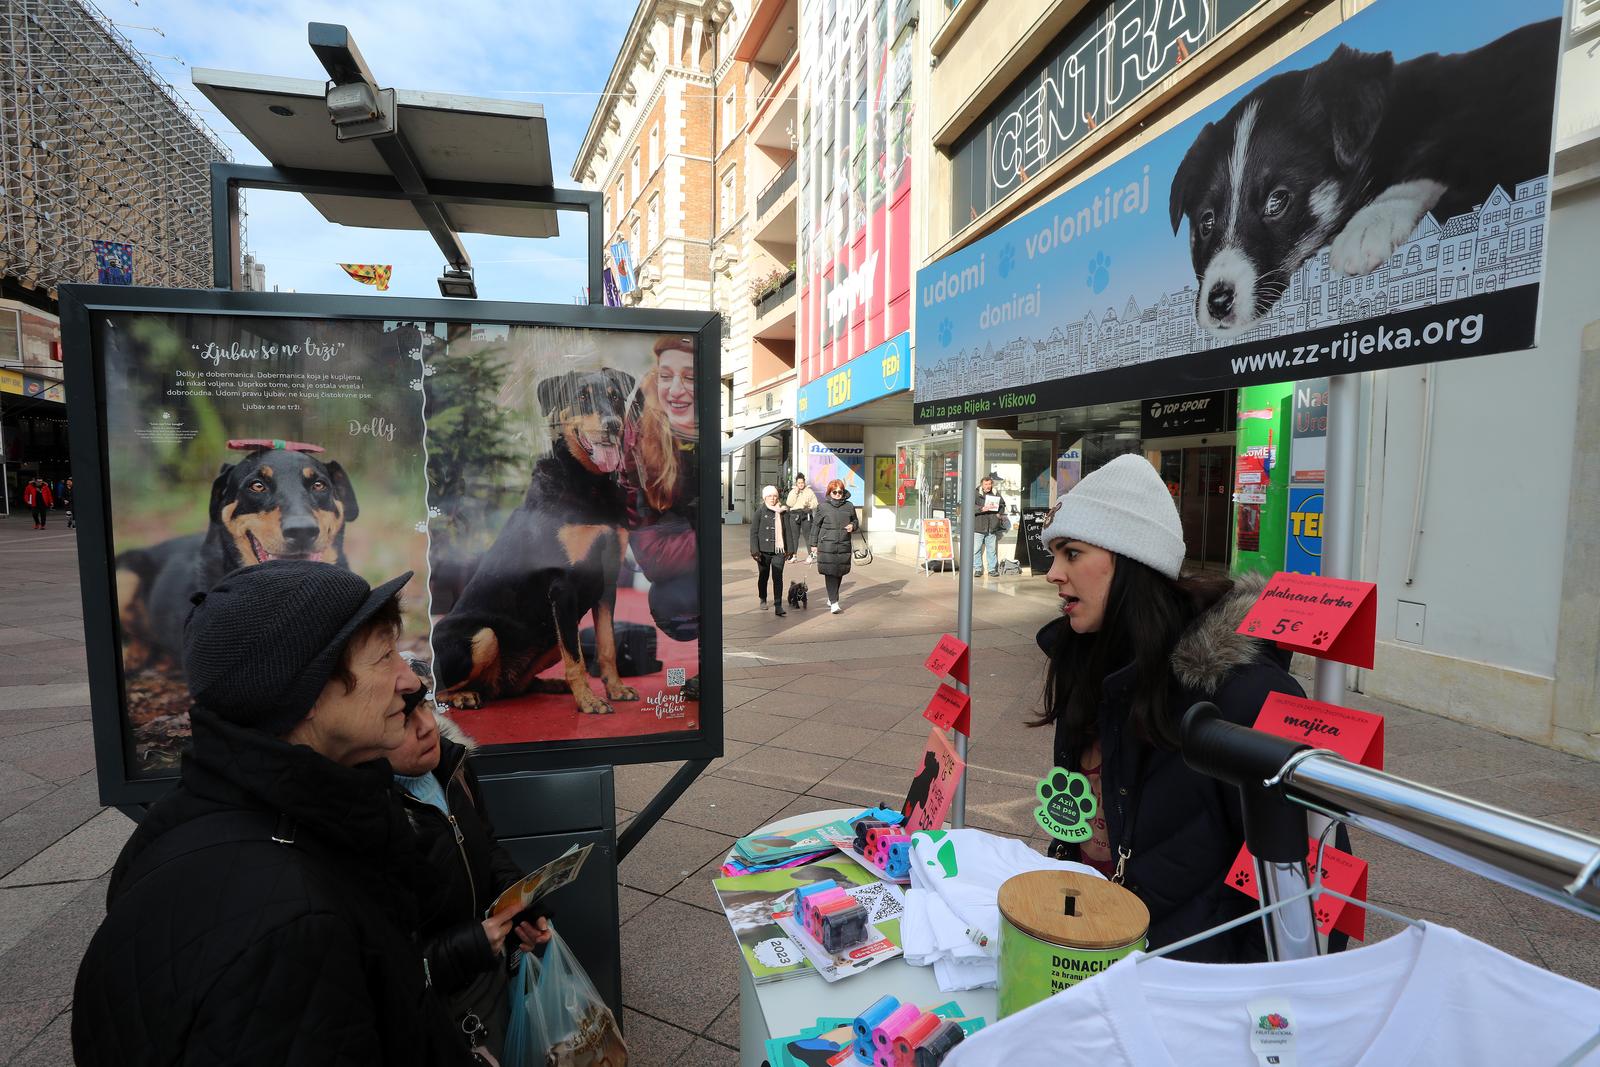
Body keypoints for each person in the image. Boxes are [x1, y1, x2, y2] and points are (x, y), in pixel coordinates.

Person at [73, 561, 475, 1066]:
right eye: (382, 655)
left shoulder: (184, 820)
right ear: (301, 695)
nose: (406, 678)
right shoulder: (292, 929)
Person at [1031, 454, 1303, 962]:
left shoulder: (1240, 694)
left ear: (1132, 560)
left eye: (1071, 553)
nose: (1053, 573)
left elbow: (1301, 892)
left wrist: (1247, 1007)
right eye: (1053, 554)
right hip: (1094, 957)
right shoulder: (1081, 663)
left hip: (1196, 992)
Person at [390, 697, 551, 1060]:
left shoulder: (451, 764)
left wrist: (520, 899)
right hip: (437, 1012)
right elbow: (387, 971)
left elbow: (486, 845)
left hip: (489, 978)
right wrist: (467, 947)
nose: (426, 725)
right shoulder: (369, 819)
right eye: (400, 720)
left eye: (421, 705)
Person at [625, 334, 700, 698]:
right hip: (670, 578)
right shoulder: (647, 441)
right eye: (667, 375)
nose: (677, 389)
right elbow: (652, 555)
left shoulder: (695, 439)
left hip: (682, 581)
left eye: (689, 377)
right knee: (679, 602)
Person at [811, 478, 860, 614]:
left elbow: (855, 521)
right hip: (827, 545)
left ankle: (831, 597)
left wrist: (853, 526)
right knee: (830, 572)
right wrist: (813, 544)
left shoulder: (849, 506)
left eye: (840, 491)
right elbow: (815, 526)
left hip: (843, 544)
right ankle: (834, 602)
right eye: (835, 492)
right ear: (829, 492)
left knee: (840, 572)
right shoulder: (823, 507)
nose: (838, 494)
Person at [750, 484, 798, 616]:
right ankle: (763, 598)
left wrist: (791, 549)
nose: (772, 498)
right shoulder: (760, 511)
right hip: (763, 552)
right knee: (763, 576)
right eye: (769, 496)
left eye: (775, 496)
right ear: (765, 497)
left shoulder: (783, 511)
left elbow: (788, 531)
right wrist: (755, 550)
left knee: (778, 578)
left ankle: (778, 605)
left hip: (779, 551)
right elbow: (753, 532)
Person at [972, 475, 1006, 577]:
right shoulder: (975, 493)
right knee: (976, 549)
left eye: (989, 484)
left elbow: (1002, 504)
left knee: (991, 550)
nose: (988, 486)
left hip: (992, 526)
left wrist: (999, 513)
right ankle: (978, 569)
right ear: (982, 484)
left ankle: (992, 569)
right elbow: (969, 506)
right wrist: (982, 509)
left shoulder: (995, 493)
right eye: (986, 484)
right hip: (979, 526)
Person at [785, 473, 819, 562]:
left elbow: (815, 503)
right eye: (799, 483)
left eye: (802, 482)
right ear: (796, 483)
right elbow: (789, 503)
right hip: (794, 515)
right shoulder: (792, 492)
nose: (800, 484)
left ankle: (810, 555)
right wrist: (795, 493)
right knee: (794, 536)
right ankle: (794, 555)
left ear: (804, 482)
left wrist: (809, 505)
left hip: (806, 514)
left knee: (808, 536)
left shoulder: (809, 491)